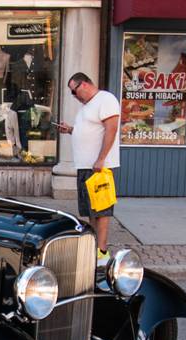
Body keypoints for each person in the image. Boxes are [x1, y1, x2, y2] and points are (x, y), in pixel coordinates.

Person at [57, 72, 121, 266]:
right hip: (86, 166)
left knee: (101, 211)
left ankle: (102, 252)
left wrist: (101, 159)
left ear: (83, 84)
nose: (74, 96)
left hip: (98, 167)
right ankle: (94, 248)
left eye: (74, 92)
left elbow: (111, 129)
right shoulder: (87, 106)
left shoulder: (105, 99)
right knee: (90, 211)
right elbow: (89, 131)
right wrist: (70, 130)